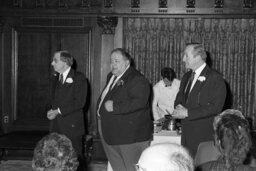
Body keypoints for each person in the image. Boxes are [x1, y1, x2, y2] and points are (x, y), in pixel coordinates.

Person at [97, 48, 153, 171]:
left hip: (128, 136)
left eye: (117, 61)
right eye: (111, 61)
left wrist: (115, 107)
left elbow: (140, 102)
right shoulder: (111, 76)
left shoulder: (137, 79)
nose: (113, 64)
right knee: (118, 168)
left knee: (131, 168)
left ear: (127, 63)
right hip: (110, 132)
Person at [173, 43, 227, 157]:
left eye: (186, 56)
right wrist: (178, 108)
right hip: (186, 134)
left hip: (204, 136)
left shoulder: (215, 78)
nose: (183, 59)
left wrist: (188, 113)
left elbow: (216, 107)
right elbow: (179, 97)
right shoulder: (186, 76)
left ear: (197, 57)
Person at [47, 50, 87, 170]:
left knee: (74, 159)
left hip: (72, 127)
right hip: (55, 126)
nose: (52, 63)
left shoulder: (79, 78)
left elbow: (79, 102)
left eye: (55, 60)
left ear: (65, 62)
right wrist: (50, 111)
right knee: (55, 159)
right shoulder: (55, 78)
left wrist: (58, 111)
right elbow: (53, 100)